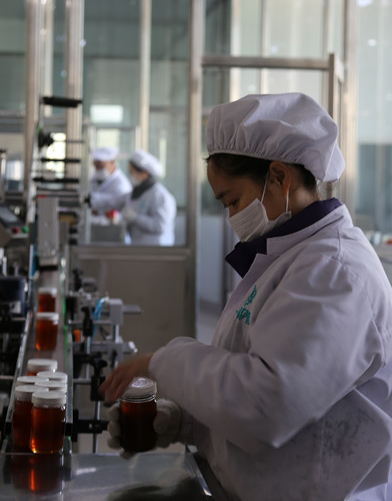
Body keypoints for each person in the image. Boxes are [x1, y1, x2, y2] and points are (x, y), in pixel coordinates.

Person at [100, 92, 392, 501]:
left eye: (233, 200)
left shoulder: (335, 271)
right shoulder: (288, 258)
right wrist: (185, 422)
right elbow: (250, 380)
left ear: (279, 177)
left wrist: (162, 362)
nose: (232, 217)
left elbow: (268, 407)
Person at [115, 149, 177, 246]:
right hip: (139, 247)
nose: (130, 176)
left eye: (132, 172)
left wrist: (135, 218)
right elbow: (115, 201)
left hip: (157, 250)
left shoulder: (161, 196)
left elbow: (160, 225)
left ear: (144, 173)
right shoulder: (136, 192)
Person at [89, 146, 132, 216]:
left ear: (112, 162)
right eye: (95, 165)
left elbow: (121, 212)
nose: (97, 169)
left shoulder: (122, 185)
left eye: (100, 165)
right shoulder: (95, 178)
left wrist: (100, 212)